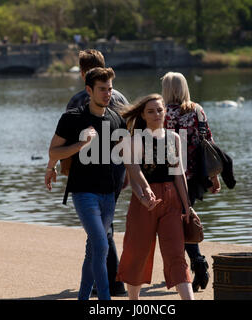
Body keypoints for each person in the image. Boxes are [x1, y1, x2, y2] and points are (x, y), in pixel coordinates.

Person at [45, 67, 126, 300]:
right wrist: (79, 145)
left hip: (108, 194)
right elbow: (54, 150)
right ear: (89, 90)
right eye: (102, 89)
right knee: (101, 246)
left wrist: (141, 185)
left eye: (110, 89)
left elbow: (126, 156)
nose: (108, 94)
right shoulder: (73, 118)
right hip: (83, 192)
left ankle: (83, 298)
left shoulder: (116, 118)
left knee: (93, 251)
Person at [116, 94, 196, 300]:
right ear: (142, 115)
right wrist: (143, 196)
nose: (156, 114)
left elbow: (178, 174)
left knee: (176, 254)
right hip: (144, 202)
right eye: (150, 111)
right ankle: (133, 300)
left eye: (160, 110)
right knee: (137, 252)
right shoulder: (134, 140)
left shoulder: (174, 138)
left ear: (165, 111)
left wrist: (187, 206)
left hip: (172, 202)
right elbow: (134, 174)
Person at [64, 49, 128, 296]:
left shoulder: (78, 99)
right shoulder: (120, 97)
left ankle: (110, 284)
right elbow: (128, 137)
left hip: (89, 174)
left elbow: (67, 136)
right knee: (103, 229)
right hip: (117, 170)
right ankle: (105, 284)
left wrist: (60, 167)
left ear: (83, 74)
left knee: (100, 234)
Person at [161, 71, 221, 292]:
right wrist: (214, 177)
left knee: (178, 222)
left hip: (171, 177)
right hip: (196, 176)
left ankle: (197, 263)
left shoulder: (162, 113)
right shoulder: (197, 110)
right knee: (185, 218)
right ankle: (193, 264)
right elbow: (209, 143)